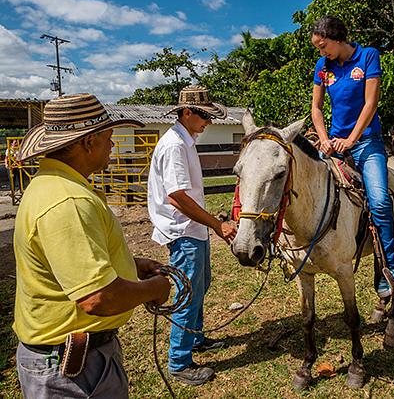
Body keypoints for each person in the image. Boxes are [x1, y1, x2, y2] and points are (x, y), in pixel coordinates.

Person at [13, 93, 171, 399]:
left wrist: (126, 264)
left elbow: (68, 265)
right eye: (108, 137)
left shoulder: (50, 185)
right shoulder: (68, 201)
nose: (112, 145)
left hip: (70, 358)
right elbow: (98, 298)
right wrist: (156, 289)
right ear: (88, 142)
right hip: (74, 369)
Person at [147, 85, 237, 385]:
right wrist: (216, 224)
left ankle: (195, 339)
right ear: (187, 112)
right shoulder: (174, 145)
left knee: (200, 285)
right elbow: (177, 197)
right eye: (204, 116)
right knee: (188, 293)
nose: (208, 122)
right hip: (183, 230)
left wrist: (211, 221)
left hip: (192, 228)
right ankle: (179, 362)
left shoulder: (184, 140)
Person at [310, 16, 394, 298]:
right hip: (334, 144)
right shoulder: (323, 67)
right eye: (318, 48)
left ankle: (388, 269)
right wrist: (325, 139)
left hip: (366, 142)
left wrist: (352, 139)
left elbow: (371, 103)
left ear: (337, 38)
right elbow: (316, 107)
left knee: (380, 201)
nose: (321, 52)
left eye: (323, 46)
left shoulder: (368, 56)